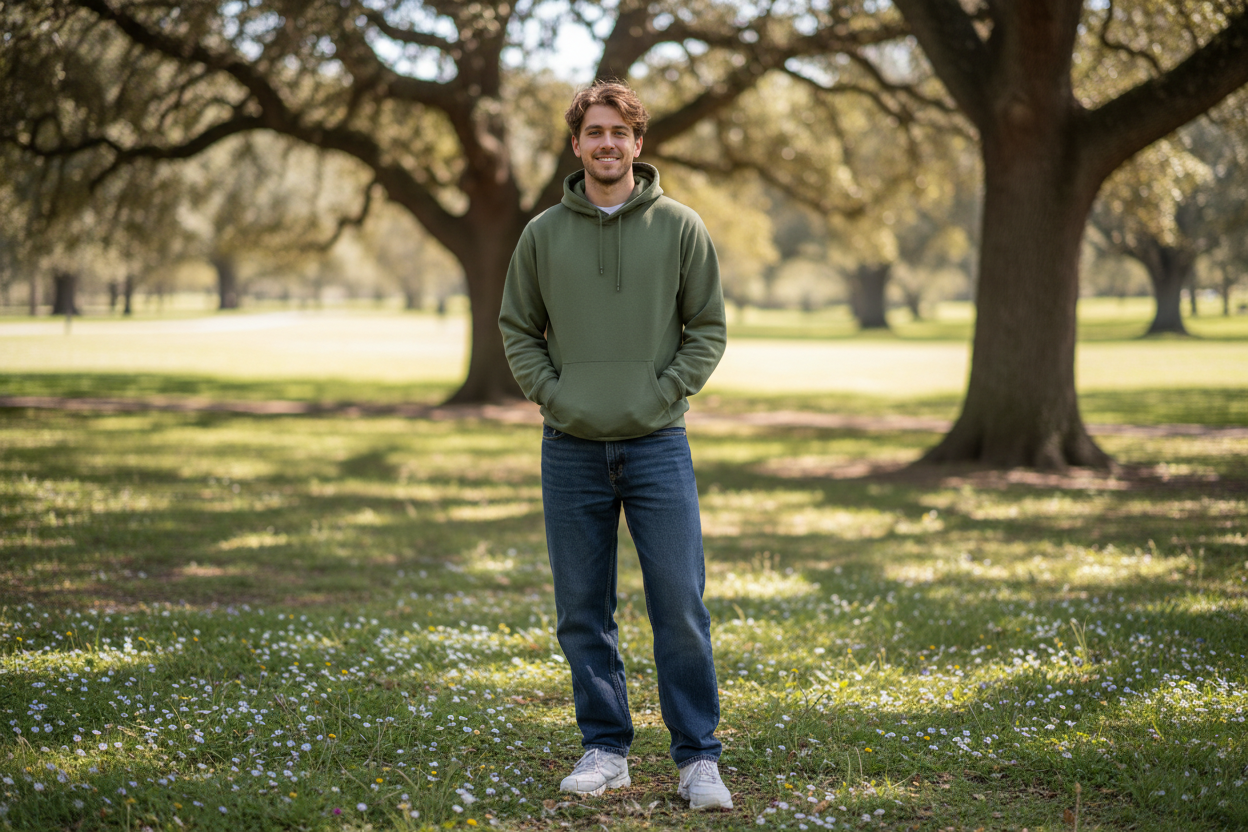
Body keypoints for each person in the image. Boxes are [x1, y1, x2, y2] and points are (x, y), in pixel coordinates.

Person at [498, 80, 731, 811]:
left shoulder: (682, 227)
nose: (606, 143)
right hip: (569, 449)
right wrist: (558, 397)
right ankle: (606, 748)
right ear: (576, 145)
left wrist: (660, 395)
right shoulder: (541, 234)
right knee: (581, 611)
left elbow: (708, 331)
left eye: (618, 132)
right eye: (593, 131)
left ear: (638, 143)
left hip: (659, 444)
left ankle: (698, 758)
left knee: (680, 607)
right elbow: (516, 330)